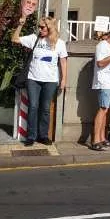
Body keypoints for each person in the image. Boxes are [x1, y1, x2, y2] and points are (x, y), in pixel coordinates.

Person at [11, 15, 68, 146]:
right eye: (39, 27)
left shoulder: (60, 43)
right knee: (33, 106)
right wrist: (20, 25)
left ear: (50, 28)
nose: (40, 29)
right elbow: (14, 39)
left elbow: (63, 62)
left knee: (45, 109)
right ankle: (31, 136)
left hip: (51, 80)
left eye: (42, 27)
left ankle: (43, 136)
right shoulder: (34, 38)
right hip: (33, 79)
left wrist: (64, 79)